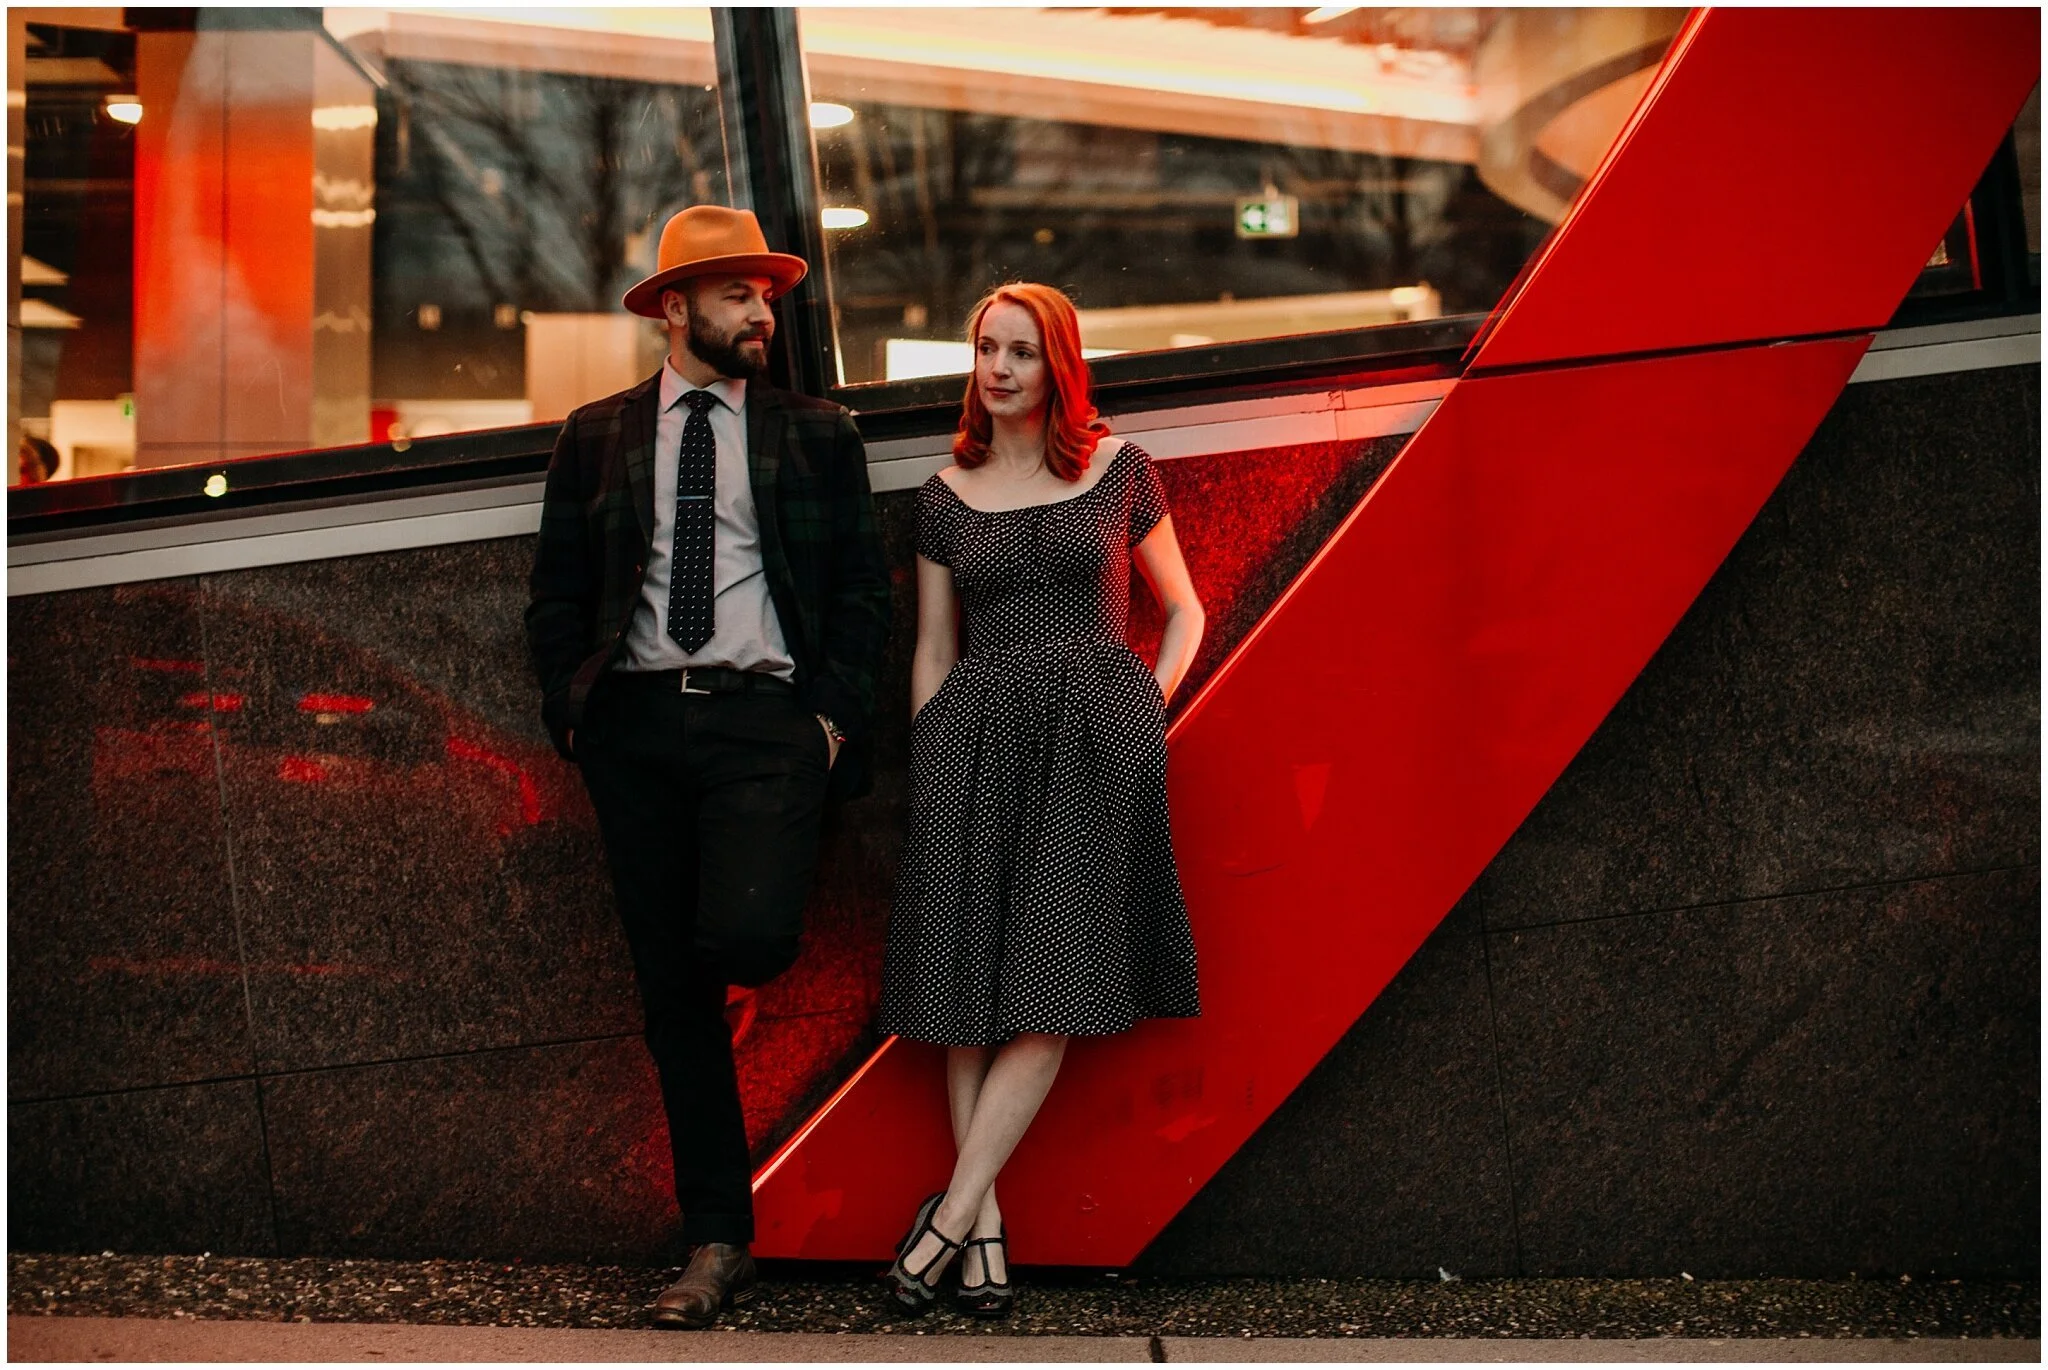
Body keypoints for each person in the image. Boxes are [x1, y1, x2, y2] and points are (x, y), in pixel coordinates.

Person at [524, 205, 890, 1329]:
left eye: (767, 295)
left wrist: (823, 727)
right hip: (632, 730)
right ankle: (715, 1238)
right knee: (671, 996)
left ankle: (719, 1212)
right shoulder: (597, 434)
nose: (761, 312)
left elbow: (861, 597)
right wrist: (575, 718)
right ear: (674, 306)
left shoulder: (813, 432)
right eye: (739, 294)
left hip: (761, 728)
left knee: (744, 939)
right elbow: (556, 590)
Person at [875, 283, 1205, 1316]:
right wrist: (928, 760)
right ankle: (982, 1243)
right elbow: (933, 645)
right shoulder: (941, 493)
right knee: (967, 997)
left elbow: (1183, 609)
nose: (1000, 367)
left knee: (1050, 987)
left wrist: (1143, 708)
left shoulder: (1118, 470)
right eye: (985, 348)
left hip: (1089, 746)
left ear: (1057, 364)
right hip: (970, 742)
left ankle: (944, 1219)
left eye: (1021, 350)